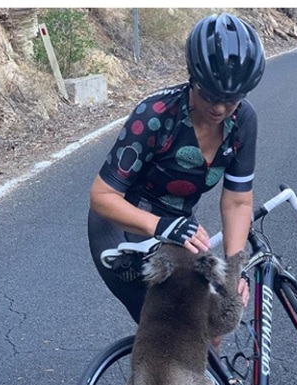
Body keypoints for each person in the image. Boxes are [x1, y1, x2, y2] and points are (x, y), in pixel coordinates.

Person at [88, 12, 265, 328]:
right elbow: (102, 196)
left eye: (232, 98)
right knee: (168, 326)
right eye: (210, 93)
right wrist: (160, 226)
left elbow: (238, 201)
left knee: (215, 317)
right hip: (121, 224)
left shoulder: (243, 122)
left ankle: (207, 378)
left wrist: (234, 269)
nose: (220, 108)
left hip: (177, 225)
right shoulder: (155, 115)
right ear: (192, 78)